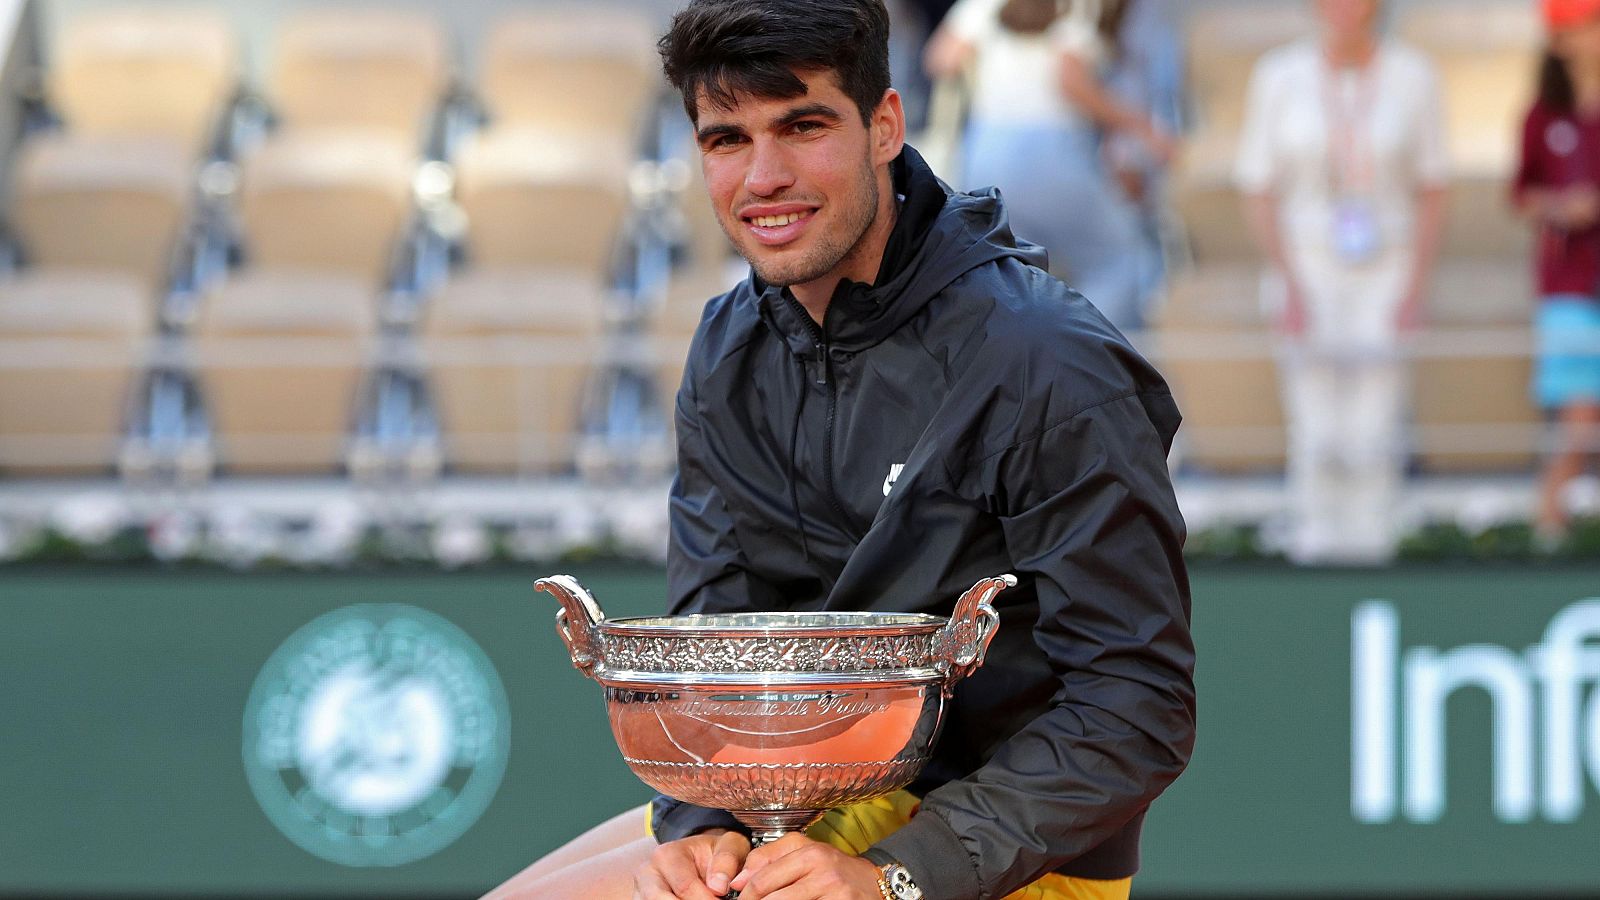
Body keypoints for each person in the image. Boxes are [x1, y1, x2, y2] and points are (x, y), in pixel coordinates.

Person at [486, 1, 1195, 898]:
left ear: (884, 127)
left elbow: (1136, 705)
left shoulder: (1044, 356)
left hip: (997, 851)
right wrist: (707, 825)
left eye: (803, 126)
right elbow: (718, 636)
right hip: (801, 803)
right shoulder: (728, 347)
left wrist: (895, 878)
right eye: (727, 140)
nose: (764, 177)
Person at [1235, 0, 1449, 565]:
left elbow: (1432, 186)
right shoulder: (1280, 74)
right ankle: (1316, 552)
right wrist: (1287, 281)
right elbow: (1259, 187)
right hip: (1305, 261)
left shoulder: (1413, 74)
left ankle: (1373, 554)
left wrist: (1415, 286)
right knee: (1315, 425)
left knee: (1375, 424)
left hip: (1388, 260)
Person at [923, 0, 1175, 331]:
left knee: (1013, 276)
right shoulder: (1079, 6)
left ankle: (1019, 357)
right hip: (1050, 154)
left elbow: (941, 58)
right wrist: (1140, 126)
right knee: (1120, 260)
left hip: (984, 154)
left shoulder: (985, 5)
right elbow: (1069, 79)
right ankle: (1096, 354)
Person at [1514, 0, 1600, 547]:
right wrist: (1560, 207)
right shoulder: (1544, 114)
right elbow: (1521, 193)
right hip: (1571, 284)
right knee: (1579, 419)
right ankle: (1549, 524)